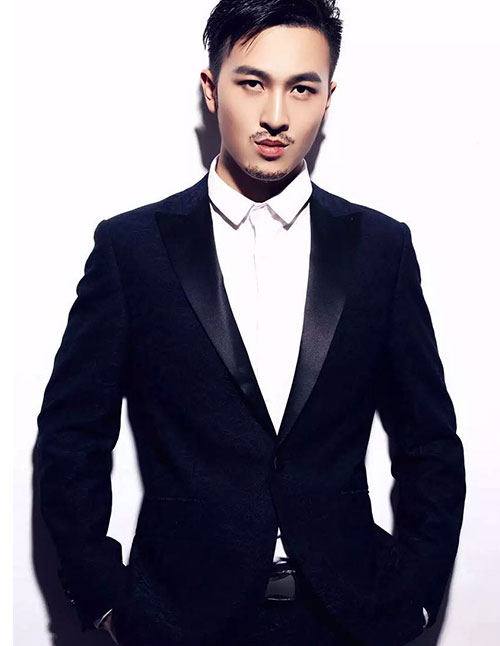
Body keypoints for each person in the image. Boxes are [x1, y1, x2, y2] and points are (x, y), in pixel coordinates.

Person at [35, 1, 466, 645]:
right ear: (212, 90)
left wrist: (417, 599)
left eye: (302, 88)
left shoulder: (381, 248)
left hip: (347, 620)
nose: (276, 115)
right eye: (253, 82)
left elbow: (429, 442)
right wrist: (107, 602)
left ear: (329, 98)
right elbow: (72, 438)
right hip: (179, 621)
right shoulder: (132, 249)